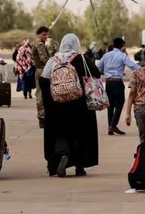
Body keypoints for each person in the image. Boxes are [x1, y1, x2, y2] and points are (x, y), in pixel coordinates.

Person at [40, 33, 100, 177]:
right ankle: (79, 167)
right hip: (79, 106)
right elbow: (96, 74)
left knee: (60, 133)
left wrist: (50, 103)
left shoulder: (52, 61)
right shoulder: (82, 59)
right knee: (80, 134)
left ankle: (61, 156)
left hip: (57, 105)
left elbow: (43, 81)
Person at [98, 37, 140, 136]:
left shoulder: (106, 55)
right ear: (122, 45)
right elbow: (133, 66)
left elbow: (99, 66)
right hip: (117, 82)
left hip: (108, 82)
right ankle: (113, 125)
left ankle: (110, 127)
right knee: (120, 103)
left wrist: (105, 71)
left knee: (110, 105)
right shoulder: (122, 56)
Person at [32, 26, 53, 128]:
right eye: (43, 34)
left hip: (42, 70)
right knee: (41, 95)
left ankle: (43, 117)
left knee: (42, 94)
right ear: (39, 35)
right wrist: (53, 63)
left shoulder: (40, 44)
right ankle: (42, 117)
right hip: (42, 71)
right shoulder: (40, 44)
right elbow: (44, 59)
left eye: (46, 34)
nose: (45, 36)